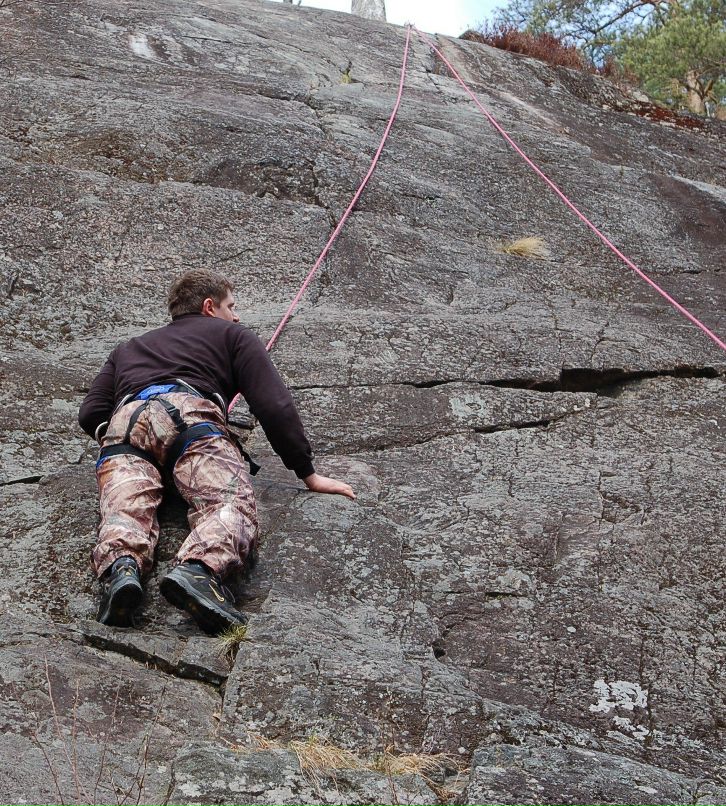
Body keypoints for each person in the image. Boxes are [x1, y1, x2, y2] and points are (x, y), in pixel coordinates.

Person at [79, 269, 355, 635]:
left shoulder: (129, 347)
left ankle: (122, 569)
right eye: (231, 306)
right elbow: (274, 405)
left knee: (125, 510)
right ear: (210, 307)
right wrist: (308, 473)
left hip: (124, 426)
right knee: (229, 504)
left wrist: (128, 442)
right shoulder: (234, 335)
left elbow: (90, 413)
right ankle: (199, 570)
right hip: (188, 419)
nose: (236, 316)